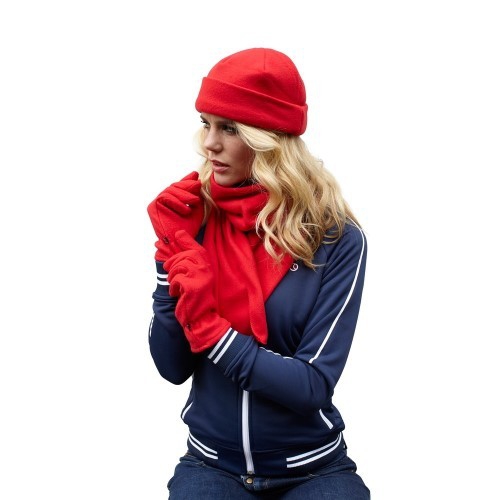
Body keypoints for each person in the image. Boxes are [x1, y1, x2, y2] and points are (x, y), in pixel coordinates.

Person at [147, 47, 370, 499]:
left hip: (313, 468)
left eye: (229, 128)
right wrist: (170, 257)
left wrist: (212, 332)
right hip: (211, 464)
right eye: (206, 123)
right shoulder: (195, 220)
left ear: (269, 139)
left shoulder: (336, 238)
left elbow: (311, 385)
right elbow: (171, 367)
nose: (209, 143)